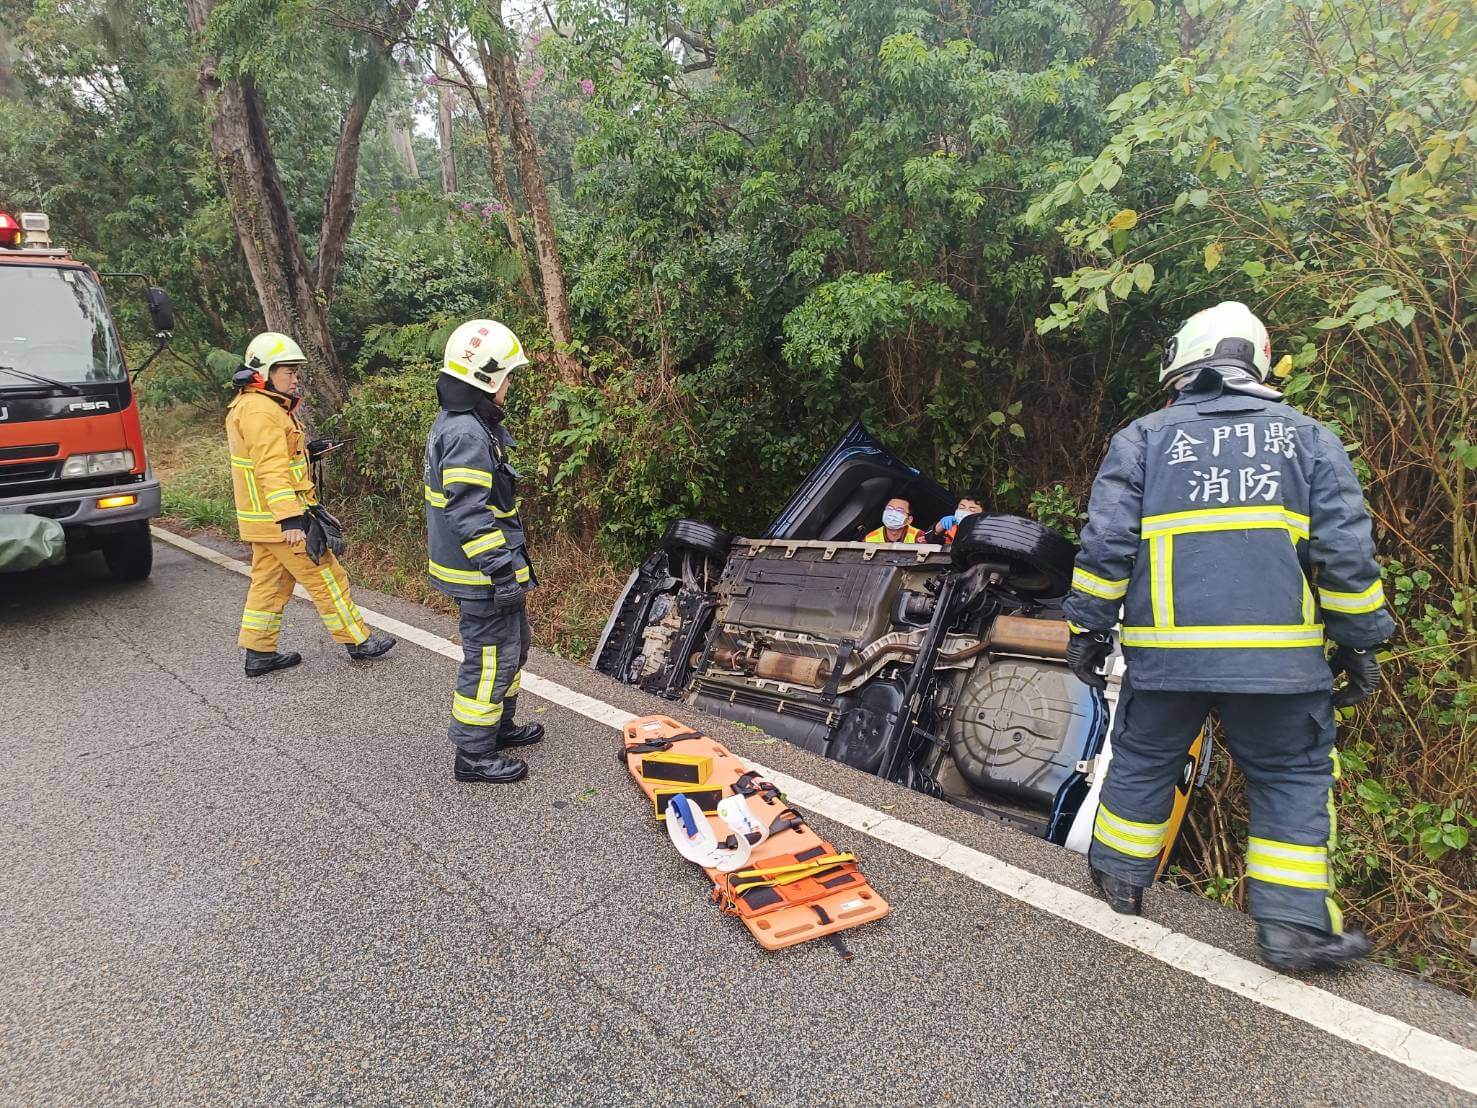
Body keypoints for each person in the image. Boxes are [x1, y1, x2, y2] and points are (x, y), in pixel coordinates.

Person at [1064, 301, 1393, 971]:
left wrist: (1087, 629)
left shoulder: (1145, 439)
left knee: (1143, 762)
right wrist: (1359, 642)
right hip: (1279, 669)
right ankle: (1293, 932)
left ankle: (1118, 882)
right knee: (1289, 779)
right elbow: (1344, 555)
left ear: (1183, 361)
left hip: (1165, 663)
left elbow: (1106, 545)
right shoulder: (1307, 439)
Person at [227, 333, 395, 677]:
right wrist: (290, 519)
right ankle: (358, 641)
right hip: (281, 521)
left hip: (262, 521)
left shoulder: (254, 406)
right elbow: (271, 470)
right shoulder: (262, 410)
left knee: (270, 584)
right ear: (264, 372)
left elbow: (277, 457)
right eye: (288, 371)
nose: (295, 378)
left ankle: (259, 654)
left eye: (295, 371)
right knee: (327, 575)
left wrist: (311, 450)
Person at [424, 319, 544, 784]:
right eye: (508, 376)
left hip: (492, 567)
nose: (510, 385)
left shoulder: (469, 422)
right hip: (482, 572)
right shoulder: (466, 434)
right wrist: (499, 571)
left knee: (515, 647)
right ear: (487, 378)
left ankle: (499, 726)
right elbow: (470, 512)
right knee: (491, 655)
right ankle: (473, 754)